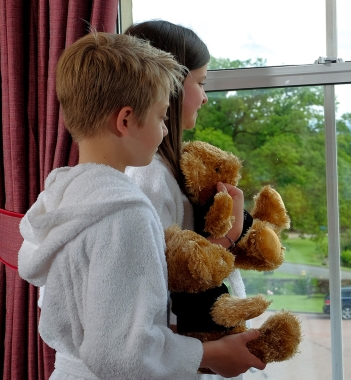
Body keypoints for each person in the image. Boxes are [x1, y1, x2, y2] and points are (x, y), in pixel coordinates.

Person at [17, 31, 265, 380]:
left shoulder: (62, 196)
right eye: (162, 116)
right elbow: (122, 355)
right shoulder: (125, 213)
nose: (166, 130)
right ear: (126, 120)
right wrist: (211, 354)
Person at [123, 21, 255, 380]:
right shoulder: (149, 176)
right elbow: (163, 284)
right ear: (171, 85)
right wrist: (231, 235)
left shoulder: (171, 168)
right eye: (201, 82)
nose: (205, 96)